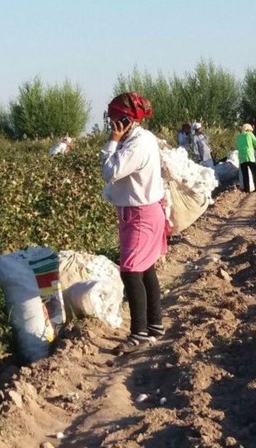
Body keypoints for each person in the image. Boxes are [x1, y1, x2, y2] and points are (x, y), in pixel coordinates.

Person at [100, 92, 167, 356]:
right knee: (145, 268)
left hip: (140, 214)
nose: (111, 122)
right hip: (144, 211)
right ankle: (155, 325)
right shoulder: (143, 138)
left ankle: (139, 333)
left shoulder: (135, 145)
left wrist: (112, 141)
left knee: (129, 271)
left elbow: (109, 172)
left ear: (125, 119)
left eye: (114, 118)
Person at [236, 123, 256, 192]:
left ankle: (246, 189)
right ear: (249, 129)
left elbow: (237, 146)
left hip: (242, 157)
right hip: (250, 156)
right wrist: (253, 147)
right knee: (254, 173)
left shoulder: (239, 136)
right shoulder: (250, 134)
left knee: (245, 174)